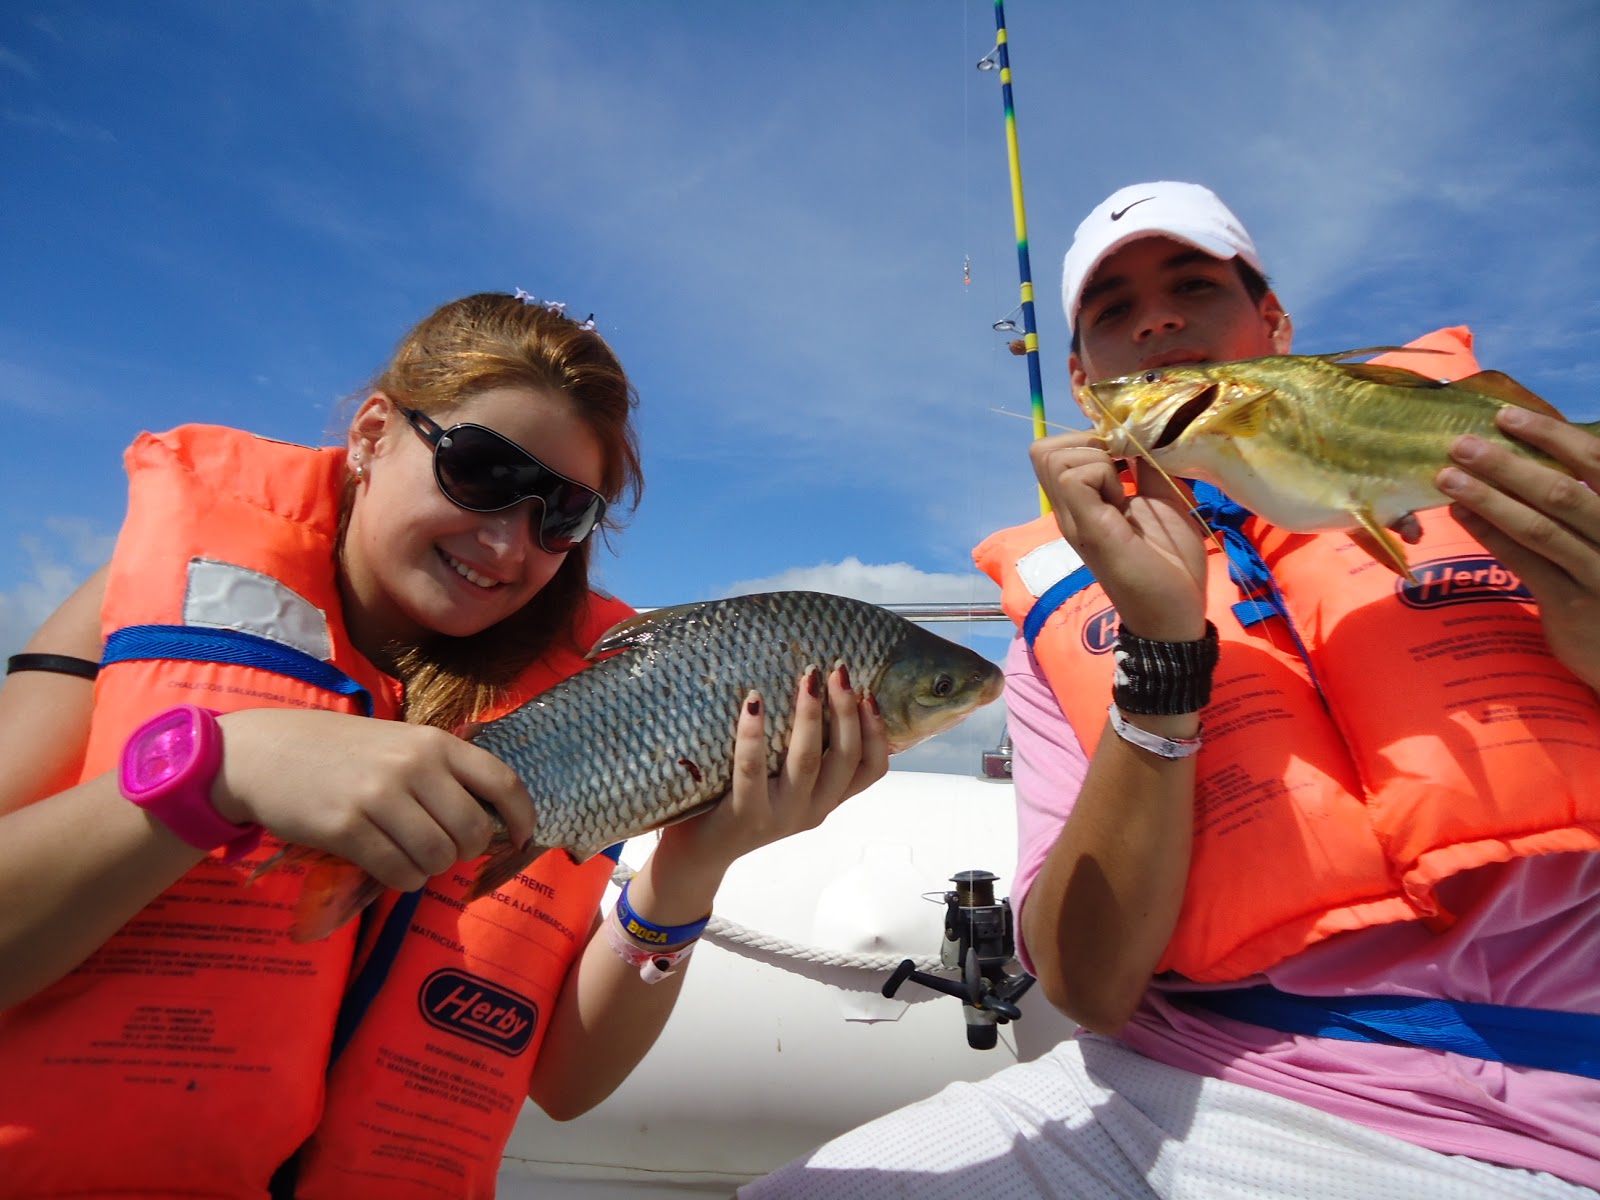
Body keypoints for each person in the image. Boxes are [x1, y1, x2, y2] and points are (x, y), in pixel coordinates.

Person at [740, 183, 1600, 1197]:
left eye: (1194, 284)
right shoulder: (1060, 627)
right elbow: (1090, 985)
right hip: (1190, 1078)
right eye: (1112, 311)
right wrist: (1158, 656)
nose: (1155, 317)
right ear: (1081, 377)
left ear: (1272, 328)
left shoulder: (1544, 517)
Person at [0, 290, 890, 1198]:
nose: (509, 543)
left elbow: (568, 1087)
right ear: (374, 433)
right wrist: (224, 769)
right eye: (479, 472)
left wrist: (694, 867)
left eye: (560, 514)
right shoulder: (135, 604)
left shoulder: (598, 700)